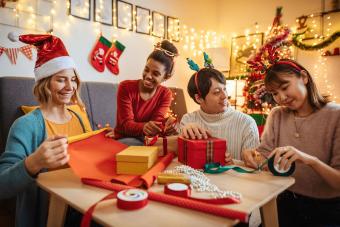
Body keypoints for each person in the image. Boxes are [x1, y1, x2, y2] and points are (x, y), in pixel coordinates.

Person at [0, 34, 91, 227]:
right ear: (45, 82)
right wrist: (33, 163)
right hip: (47, 216)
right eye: (61, 80)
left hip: (83, 206)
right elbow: (2, 186)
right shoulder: (25, 125)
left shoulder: (79, 118)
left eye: (73, 79)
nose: (70, 87)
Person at [242, 59, 340, 226]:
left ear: (304, 77)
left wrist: (310, 160)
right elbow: (264, 158)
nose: (281, 97)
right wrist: (250, 155)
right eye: (274, 93)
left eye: (285, 87)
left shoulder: (335, 115)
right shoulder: (277, 115)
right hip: (283, 200)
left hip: (327, 210)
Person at [105, 40, 179, 145]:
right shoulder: (126, 87)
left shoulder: (165, 94)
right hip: (127, 138)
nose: (148, 76)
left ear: (165, 77)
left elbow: (155, 125)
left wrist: (169, 124)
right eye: (146, 69)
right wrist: (145, 127)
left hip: (148, 139)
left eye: (156, 73)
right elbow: (125, 125)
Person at [180, 67, 260, 162]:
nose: (225, 96)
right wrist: (185, 136)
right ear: (198, 98)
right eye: (217, 92)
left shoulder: (247, 123)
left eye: (225, 89)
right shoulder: (188, 120)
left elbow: (255, 167)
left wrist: (234, 163)